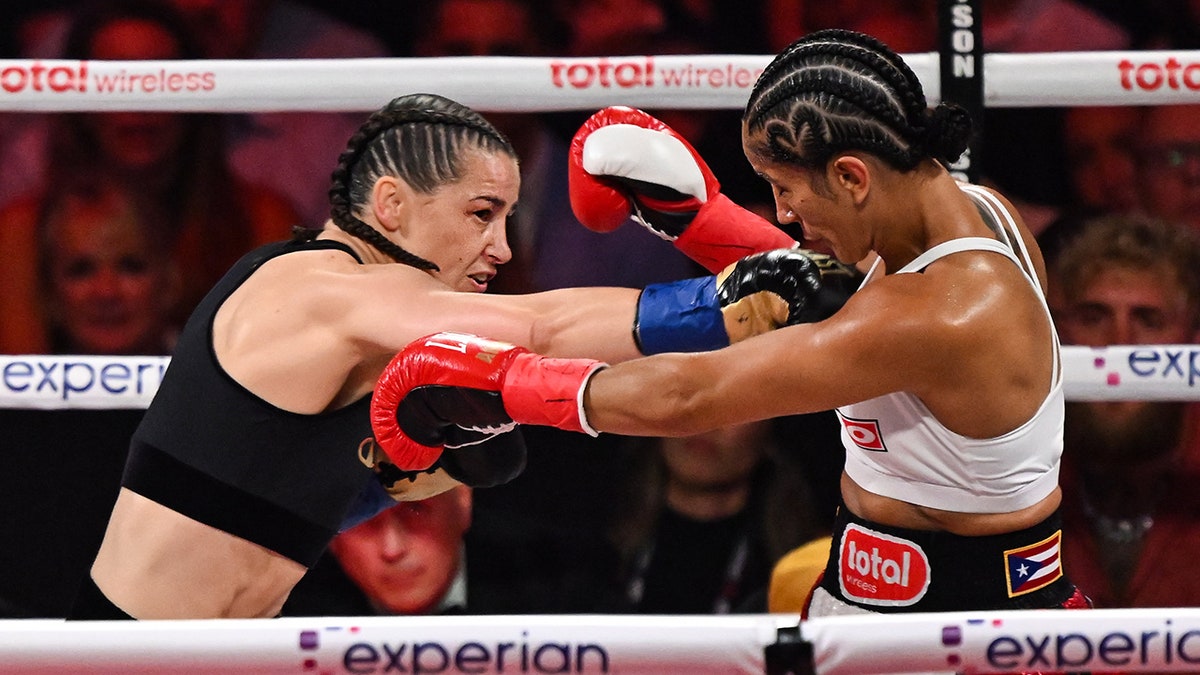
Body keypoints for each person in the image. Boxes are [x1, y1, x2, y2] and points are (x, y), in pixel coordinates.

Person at [374, 29, 1092, 618]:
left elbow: (692, 395)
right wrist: (698, 221)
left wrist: (504, 387)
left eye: (785, 190)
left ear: (851, 176)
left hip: (957, 625)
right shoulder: (972, 215)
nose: (783, 216)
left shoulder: (943, 313)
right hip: (887, 594)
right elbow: (842, 293)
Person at [66, 92, 856, 620]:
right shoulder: (314, 286)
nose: (501, 246)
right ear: (391, 207)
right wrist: (710, 306)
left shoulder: (367, 345)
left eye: (508, 216)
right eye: (481, 213)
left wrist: (412, 465)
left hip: (212, 655)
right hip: (120, 655)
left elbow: (273, 508)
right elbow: (541, 326)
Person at [0, 0, 300, 353]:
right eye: (117, 81)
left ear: (196, 98)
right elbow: (24, 395)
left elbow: (273, 377)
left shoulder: (264, 223)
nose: (141, 103)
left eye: (160, 81)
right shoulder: (22, 231)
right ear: (80, 108)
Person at [1052, 213, 1200, 609]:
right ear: (1058, 333)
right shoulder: (1005, 466)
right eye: (1093, 317)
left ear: (1193, 336)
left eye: (1148, 320)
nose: (1120, 345)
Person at [283, 484, 616, 616]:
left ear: (462, 502)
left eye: (415, 511)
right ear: (331, 537)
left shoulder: (561, 578)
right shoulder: (282, 609)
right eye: (364, 523)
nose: (392, 549)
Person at [600, 419, 822, 614]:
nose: (705, 421)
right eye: (687, 391)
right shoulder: (591, 554)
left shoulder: (809, 573)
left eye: (734, 404)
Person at [37, 176, 180, 356]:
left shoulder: (214, 379)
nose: (106, 291)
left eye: (130, 267)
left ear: (170, 282)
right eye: (81, 270)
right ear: (49, 292)